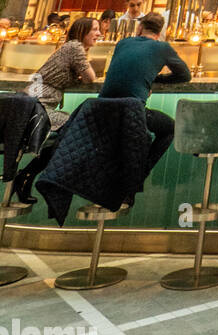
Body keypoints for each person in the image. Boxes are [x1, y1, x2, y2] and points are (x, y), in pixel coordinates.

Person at [13, 17, 100, 203]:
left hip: (35, 105)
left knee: (68, 134)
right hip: (37, 107)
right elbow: (90, 77)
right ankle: (30, 176)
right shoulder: (75, 47)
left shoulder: (71, 48)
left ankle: (28, 176)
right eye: (95, 29)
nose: (99, 34)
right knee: (74, 130)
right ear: (82, 31)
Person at [99, 11, 191, 182]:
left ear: (140, 27)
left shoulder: (123, 43)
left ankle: (126, 176)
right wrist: (155, 80)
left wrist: (147, 79)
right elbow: (185, 76)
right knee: (171, 128)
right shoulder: (162, 47)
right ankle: (139, 175)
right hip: (131, 111)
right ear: (160, 32)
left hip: (101, 109)